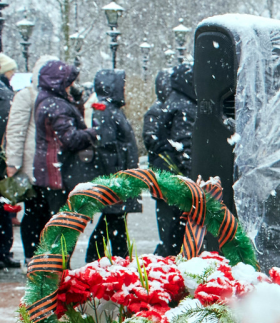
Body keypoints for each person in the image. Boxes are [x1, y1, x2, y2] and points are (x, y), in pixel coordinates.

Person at [33, 61, 97, 229]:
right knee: (63, 228)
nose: (72, 85)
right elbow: (71, 139)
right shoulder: (57, 106)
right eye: (70, 82)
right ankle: (59, 256)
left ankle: (55, 255)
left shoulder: (48, 100)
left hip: (50, 170)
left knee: (54, 225)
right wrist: (94, 133)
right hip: (59, 173)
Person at [5, 55, 56, 262]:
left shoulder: (55, 96)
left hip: (51, 165)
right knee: (34, 211)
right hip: (32, 164)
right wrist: (13, 162)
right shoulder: (27, 95)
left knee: (48, 212)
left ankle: (44, 256)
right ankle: (31, 257)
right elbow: (16, 129)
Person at [86, 69, 139, 262]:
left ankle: (116, 257)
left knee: (114, 220)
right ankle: (117, 258)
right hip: (117, 175)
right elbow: (107, 147)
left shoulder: (109, 109)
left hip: (118, 173)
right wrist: (116, 180)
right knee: (114, 220)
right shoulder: (106, 110)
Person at [147, 63, 197, 256]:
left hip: (165, 175)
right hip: (173, 178)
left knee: (169, 234)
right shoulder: (184, 106)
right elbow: (185, 145)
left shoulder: (174, 101)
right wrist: (192, 177)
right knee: (174, 237)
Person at [0, 54, 17, 267]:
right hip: (2, 157)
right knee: (3, 206)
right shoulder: (5, 94)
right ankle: (4, 250)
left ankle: (3, 252)